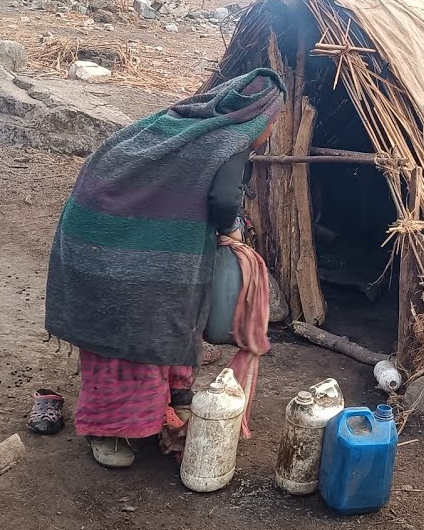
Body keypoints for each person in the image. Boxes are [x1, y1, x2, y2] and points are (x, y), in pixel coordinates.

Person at [44, 68, 285, 468]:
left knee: (170, 316)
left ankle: (168, 401)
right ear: (261, 118)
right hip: (118, 247)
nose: (273, 130)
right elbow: (224, 200)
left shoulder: (180, 125)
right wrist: (233, 232)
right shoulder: (227, 142)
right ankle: (110, 428)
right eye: (275, 121)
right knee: (131, 331)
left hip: (103, 233)